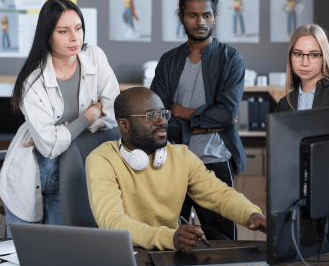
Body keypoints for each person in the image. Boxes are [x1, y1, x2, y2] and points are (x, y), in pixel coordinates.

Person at [85, 87, 266, 251]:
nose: (161, 122)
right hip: (126, 252)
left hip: (169, 250)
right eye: (150, 116)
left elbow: (219, 194)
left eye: (163, 114)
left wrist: (250, 213)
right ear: (123, 125)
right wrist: (168, 237)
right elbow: (113, 222)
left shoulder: (181, 155)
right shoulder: (102, 160)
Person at [0, 0, 120, 237]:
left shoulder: (95, 57)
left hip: (75, 168)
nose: (75, 37)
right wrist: (89, 115)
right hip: (32, 170)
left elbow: (114, 115)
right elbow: (49, 146)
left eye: (78, 28)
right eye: (63, 31)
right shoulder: (32, 80)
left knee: (64, 250)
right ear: (47, 35)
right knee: (25, 255)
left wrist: (63, 129)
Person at [150, 0, 246, 240]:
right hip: (174, 161)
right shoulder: (168, 61)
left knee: (222, 242)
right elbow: (157, 117)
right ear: (181, 17)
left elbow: (226, 115)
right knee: (172, 238)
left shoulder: (231, 59)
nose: (200, 21)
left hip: (215, 161)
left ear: (214, 17)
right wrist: (205, 122)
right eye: (193, 15)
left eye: (207, 15)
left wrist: (181, 112)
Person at [274, 24, 329, 112]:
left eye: (314, 55)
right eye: (298, 54)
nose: (305, 63)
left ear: (324, 58)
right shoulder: (284, 104)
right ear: (290, 57)